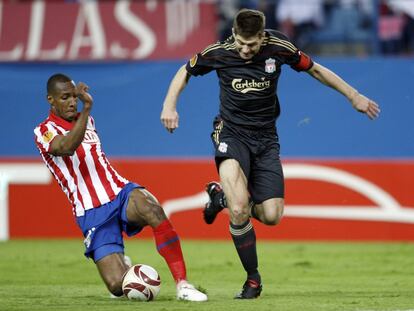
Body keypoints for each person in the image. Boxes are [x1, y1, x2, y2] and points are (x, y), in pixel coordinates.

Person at [160, 9, 380, 299]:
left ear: (262, 36)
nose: (245, 50)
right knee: (239, 210)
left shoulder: (279, 47)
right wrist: (169, 106)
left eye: (251, 44)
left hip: (266, 139)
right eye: (240, 43)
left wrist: (354, 95)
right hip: (231, 134)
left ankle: (220, 197)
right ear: (234, 35)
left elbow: (315, 69)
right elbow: (184, 72)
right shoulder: (220, 52)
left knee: (272, 215)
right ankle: (253, 279)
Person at [34, 73, 208, 302]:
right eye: (64, 97)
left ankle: (183, 284)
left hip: (118, 191)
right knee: (118, 286)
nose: (71, 102)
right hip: (91, 211)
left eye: (73, 97)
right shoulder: (44, 131)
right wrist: (86, 109)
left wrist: (84, 113)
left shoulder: (88, 121)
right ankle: (123, 266)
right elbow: (66, 147)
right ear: (51, 99)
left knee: (153, 210)